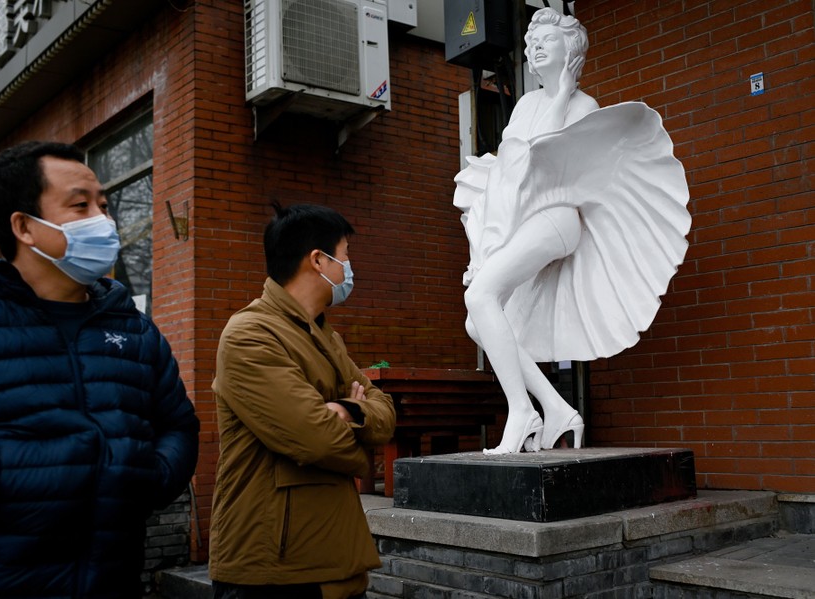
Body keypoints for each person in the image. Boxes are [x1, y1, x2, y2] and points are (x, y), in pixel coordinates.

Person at [0, 141, 200, 598]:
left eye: (103, 205)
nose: (104, 220)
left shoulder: (134, 329)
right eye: (80, 206)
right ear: (24, 227)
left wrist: (150, 476)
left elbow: (178, 425)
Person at [454, 8, 691, 454]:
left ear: (571, 50)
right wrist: (482, 252)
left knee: (481, 297)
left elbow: (542, 158)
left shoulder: (583, 106)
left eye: (548, 39)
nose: (536, 47)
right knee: (477, 321)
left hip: (557, 218)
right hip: (522, 218)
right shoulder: (526, 105)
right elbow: (508, 177)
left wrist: (562, 95)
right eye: (532, 42)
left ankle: (521, 411)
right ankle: (557, 407)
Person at [209, 203, 396, 599]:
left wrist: (347, 409)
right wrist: (361, 449)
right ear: (318, 261)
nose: (348, 268)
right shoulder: (250, 334)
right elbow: (316, 439)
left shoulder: (327, 336)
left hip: (336, 559)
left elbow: (385, 410)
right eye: (345, 255)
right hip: (273, 571)